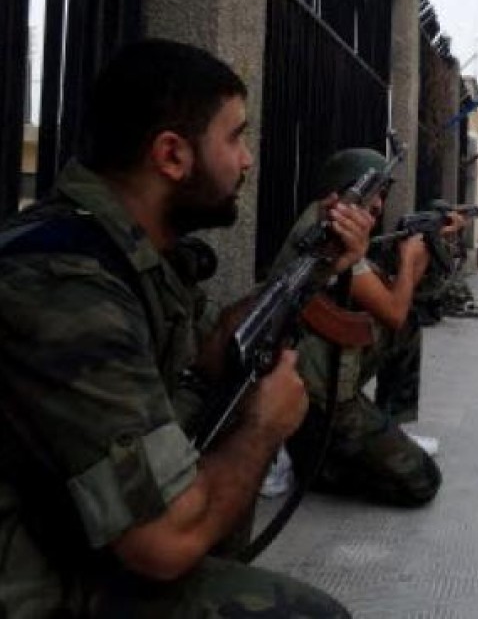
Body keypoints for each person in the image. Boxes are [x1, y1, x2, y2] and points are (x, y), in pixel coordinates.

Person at [0, 39, 374, 616]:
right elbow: (163, 542)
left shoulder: (127, 253)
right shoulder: (65, 283)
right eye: (235, 136)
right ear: (172, 156)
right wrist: (263, 427)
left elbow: (191, 373)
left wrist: (317, 269)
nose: (247, 159)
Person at [273, 148, 445, 507]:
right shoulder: (330, 236)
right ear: (345, 190)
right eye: (373, 193)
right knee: (423, 480)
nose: (380, 205)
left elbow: (389, 305)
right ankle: (312, 462)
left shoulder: (329, 220)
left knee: (407, 326)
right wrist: (411, 262)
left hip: (323, 368)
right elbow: (393, 310)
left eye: (382, 194)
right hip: (315, 395)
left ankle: (387, 425)